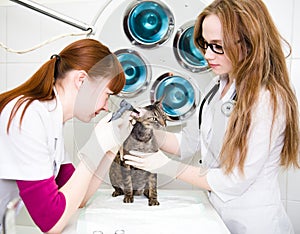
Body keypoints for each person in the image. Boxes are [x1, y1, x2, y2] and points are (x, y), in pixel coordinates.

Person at [124, 0, 300, 233]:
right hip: (217, 215)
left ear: (248, 41)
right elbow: (189, 142)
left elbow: (235, 180)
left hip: (255, 222)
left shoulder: (268, 98)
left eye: (217, 45)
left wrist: (167, 166)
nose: (207, 54)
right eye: (205, 44)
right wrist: (142, 127)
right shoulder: (217, 87)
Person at [0, 38, 134, 233]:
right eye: (107, 94)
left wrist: (110, 147)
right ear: (81, 80)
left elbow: (79, 197)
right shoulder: (29, 115)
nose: (106, 107)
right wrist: (95, 146)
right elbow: (51, 222)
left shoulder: (51, 118)